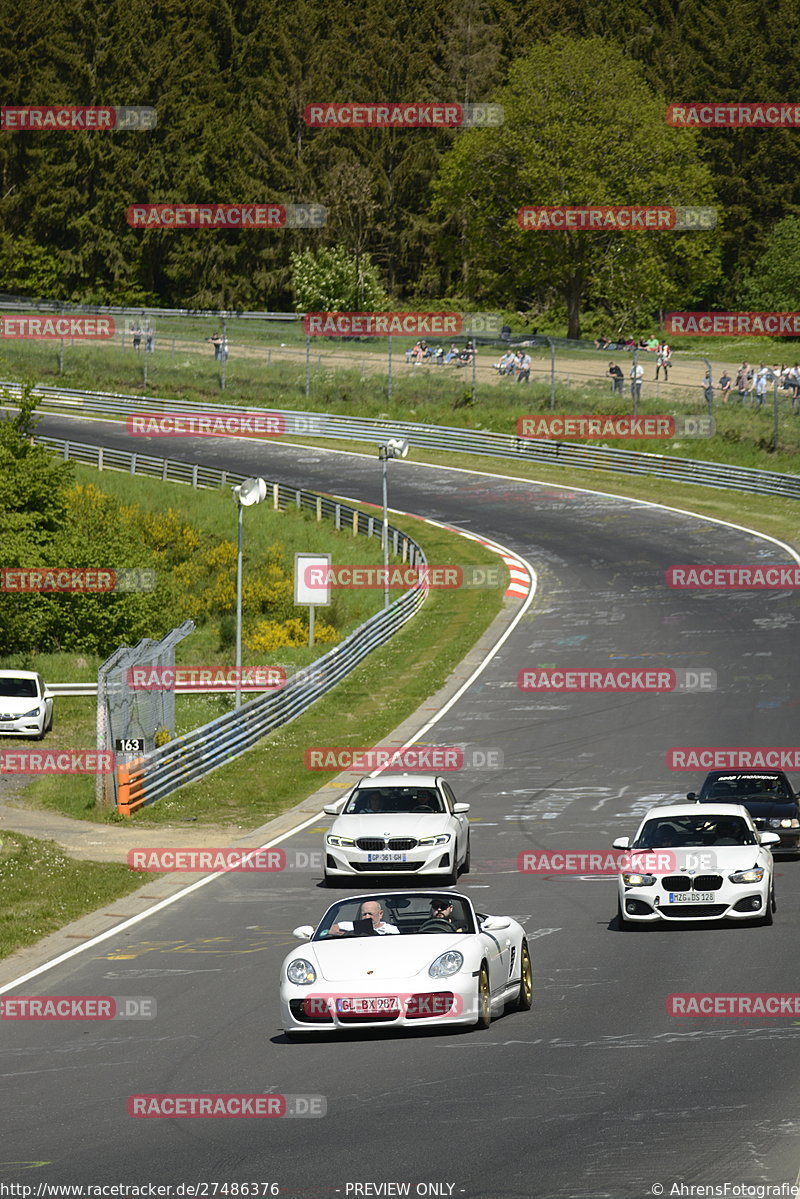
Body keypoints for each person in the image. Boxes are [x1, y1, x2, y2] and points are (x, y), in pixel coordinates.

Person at [330, 900, 399, 936]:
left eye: (370, 914)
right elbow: (329, 929)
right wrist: (349, 934)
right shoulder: (351, 926)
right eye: (364, 914)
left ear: (380, 914)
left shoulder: (391, 929)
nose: (367, 917)